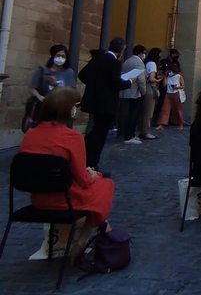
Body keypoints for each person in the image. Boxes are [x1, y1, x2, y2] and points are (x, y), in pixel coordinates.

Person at [19, 86, 115, 254]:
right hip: (65, 199)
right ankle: (83, 241)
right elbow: (83, 179)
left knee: (97, 183)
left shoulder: (30, 135)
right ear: (69, 109)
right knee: (105, 184)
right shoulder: (72, 137)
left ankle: (89, 238)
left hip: (39, 198)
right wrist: (92, 175)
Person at [79, 37, 135, 169]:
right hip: (106, 104)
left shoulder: (97, 59)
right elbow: (116, 83)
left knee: (94, 131)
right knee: (99, 135)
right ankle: (92, 164)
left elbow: (82, 75)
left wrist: (94, 86)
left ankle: (86, 160)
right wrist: (130, 82)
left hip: (92, 101)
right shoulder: (114, 63)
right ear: (121, 50)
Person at [27, 44, 77, 127]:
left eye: (63, 56)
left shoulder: (69, 72)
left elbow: (71, 92)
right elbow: (32, 88)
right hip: (44, 106)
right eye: (58, 55)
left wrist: (55, 84)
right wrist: (39, 97)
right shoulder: (42, 70)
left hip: (61, 107)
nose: (60, 58)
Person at [119, 45, 148, 145]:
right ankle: (129, 135)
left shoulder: (127, 61)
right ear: (141, 53)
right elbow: (141, 79)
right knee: (134, 114)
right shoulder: (139, 63)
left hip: (126, 90)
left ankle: (128, 134)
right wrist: (143, 91)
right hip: (135, 92)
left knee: (130, 113)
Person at [138, 47, 162, 140]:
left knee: (144, 111)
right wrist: (158, 79)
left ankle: (142, 130)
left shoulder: (145, 62)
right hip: (149, 87)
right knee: (148, 111)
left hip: (144, 87)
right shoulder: (152, 64)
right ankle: (146, 132)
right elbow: (152, 79)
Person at [154, 48, 180, 124]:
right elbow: (160, 71)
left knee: (173, 102)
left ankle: (169, 120)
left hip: (173, 85)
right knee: (161, 101)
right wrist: (165, 77)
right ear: (172, 54)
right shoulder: (164, 61)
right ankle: (156, 119)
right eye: (175, 54)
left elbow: (179, 73)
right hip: (165, 84)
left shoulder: (177, 63)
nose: (176, 56)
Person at [157, 65, 185, 131]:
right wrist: (165, 77)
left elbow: (183, 86)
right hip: (168, 93)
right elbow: (164, 84)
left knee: (178, 110)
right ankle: (162, 124)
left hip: (176, 93)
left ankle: (180, 123)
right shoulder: (168, 77)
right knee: (165, 109)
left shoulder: (178, 76)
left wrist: (176, 87)